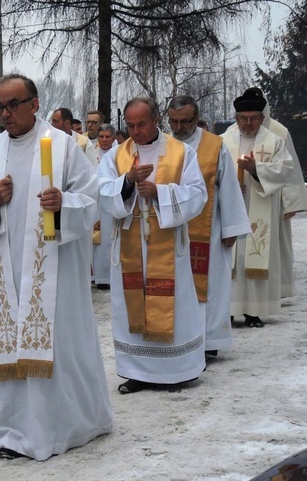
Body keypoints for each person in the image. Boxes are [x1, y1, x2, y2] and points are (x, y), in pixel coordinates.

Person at [0, 74, 112, 461]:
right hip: (7, 272)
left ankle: (64, 426)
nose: (5, 113)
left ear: (34, 104)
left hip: (54, 271)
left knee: (59, 346)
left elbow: (91, 198)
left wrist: (64, 202)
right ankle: (14, 431)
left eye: (13, 104)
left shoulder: (63, 147)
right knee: (11, 347)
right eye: (0, 106)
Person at [98, 96, 208, 394]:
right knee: (132, 307)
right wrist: (129, 182)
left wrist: (159, 192)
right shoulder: (116, 155)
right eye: (131, 125)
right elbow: (102, 191)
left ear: (156, 118)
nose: (136, 131)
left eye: (142, 124)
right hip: (130, 245)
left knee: (174, 304)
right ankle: (138, 372)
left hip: (167, 247)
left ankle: (178, 370)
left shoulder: (180, 152)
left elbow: (198, 194)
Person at [167, 95, 250, 355]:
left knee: (211, 285)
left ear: (196, 118)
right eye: (173, 121)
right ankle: (180, 338)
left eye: (184, 121)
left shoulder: (215, 146)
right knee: (177, 287)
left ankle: (208, 342)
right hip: (170, 232)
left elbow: (228, 188)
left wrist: (232, 229)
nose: (178, 128)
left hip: (209, 231)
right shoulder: (164, 145)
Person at [224, 87, 307, 299]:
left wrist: (256, 169)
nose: (248, 123)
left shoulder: (277, 135)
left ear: (262, 115)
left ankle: (264, 300)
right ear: (237, 117)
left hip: (265, 202)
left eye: (253, 118)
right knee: (235, 255)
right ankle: (232, 304)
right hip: (234, 204)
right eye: (243, 118)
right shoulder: (225, 139)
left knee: (263, 249)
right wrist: (228, 184)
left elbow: (290, 169)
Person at [92, 123, 118, 290]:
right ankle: (98, 276)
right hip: (96, 201)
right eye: (101, 136)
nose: (104, 140)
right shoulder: (91, 153)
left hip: (112, 201)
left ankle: (112, 275)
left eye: (107, 137)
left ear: (113, 138)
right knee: (97, 241)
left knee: (111, 238)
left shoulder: (120, 153)